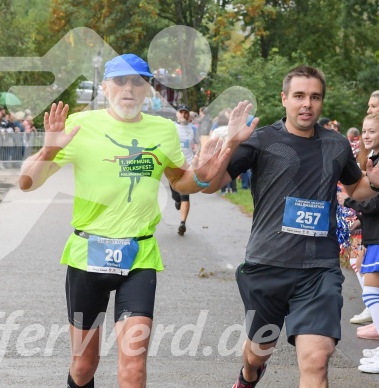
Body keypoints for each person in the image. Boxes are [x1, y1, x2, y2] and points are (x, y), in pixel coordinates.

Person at [19, 53, 238, 388]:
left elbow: (181, 181)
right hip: (86, 255)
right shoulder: (80, 124)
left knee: (134, 366)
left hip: (138, 258)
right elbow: (27, 182)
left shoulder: (163, 131)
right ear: (106, 87)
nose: (129, 88)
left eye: (138, 81)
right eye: (120, 81)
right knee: (83, 365)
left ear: (147, 89)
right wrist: (48, 150)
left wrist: (204, 175)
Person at [202, 65, 379, 387]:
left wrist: (375, 184)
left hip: (318, 269)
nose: (307, 104)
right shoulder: (260, 141)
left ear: (322, 102)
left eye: (315, 97)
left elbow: (356, 189)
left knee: (316, 358)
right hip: (267, 263)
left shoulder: (336, 145)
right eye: (299, 96)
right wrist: (228, 144)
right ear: (284, 99)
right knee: (258, 350)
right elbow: (211, 185)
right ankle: (248, 374)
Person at [337, 113, 379, 372]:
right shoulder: (372, 159)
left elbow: (376, 201)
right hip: (374, 233)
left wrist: (349, 202)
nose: (366, 135)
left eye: (372, 131)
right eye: (364, 131)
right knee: (371, 288)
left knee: (371, 289)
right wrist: (359, 221)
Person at [170, 104, 201, 235]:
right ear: (177, 114)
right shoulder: (171, 127)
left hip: (187, 165)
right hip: (173, 165)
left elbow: (198, 142)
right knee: (175, 193)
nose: (183, 114)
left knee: (185, 194)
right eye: (181, 112)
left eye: (186, 112)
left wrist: (197, 152)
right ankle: (177, 200)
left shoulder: (193, 128)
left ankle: (183, 223)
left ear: (188, 115)